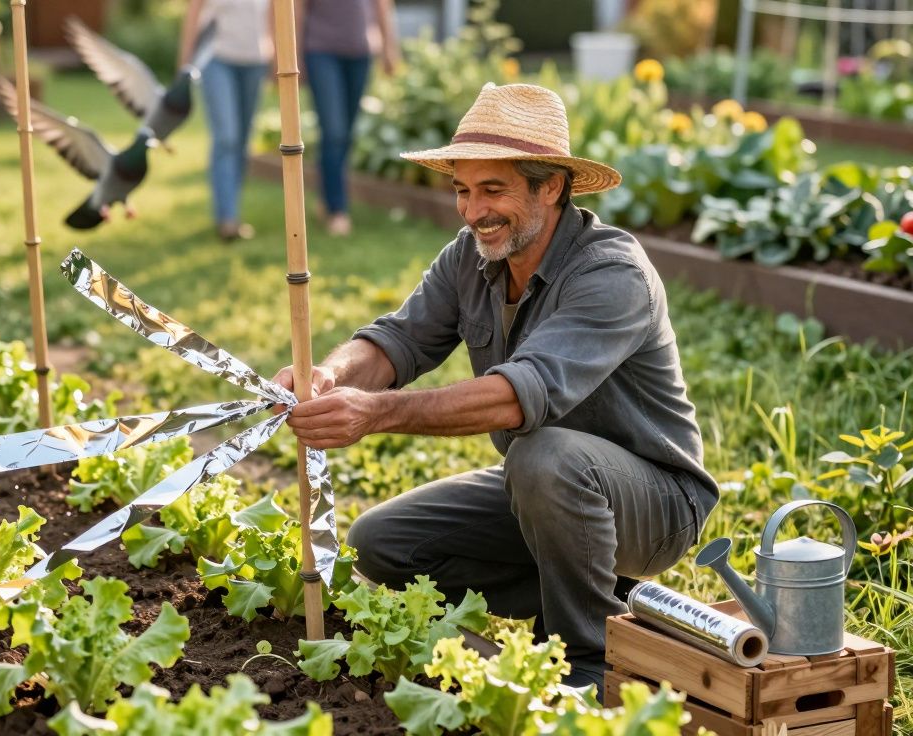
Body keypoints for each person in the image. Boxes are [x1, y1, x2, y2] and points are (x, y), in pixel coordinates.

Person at [274, 83, 719, 691]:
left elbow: (516, 396)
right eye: (462, 189)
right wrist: (330, 374)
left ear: (551, 186)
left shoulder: (613, 273)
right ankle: (598, 592)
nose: (472, 209)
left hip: (656, 502)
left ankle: (588, 661)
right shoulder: (469, 257)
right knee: (382, 544)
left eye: (493, 189)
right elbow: (397, 341)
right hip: (546, 487)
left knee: (543, 452)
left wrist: (374, 412)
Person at [296, 0, 400, 237]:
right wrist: (293, 57)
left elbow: (382, 5)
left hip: (360, 53)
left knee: (345, 135)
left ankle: (327, 197)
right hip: (320, 52)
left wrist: (388, 48)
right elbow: (298, 7)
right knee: (334, 132)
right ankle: (338, 210)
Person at [180, 0, 272, 242]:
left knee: (242, 140)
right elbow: (194, 11)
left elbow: (275, 12)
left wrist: (278, 56)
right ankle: (227, 219)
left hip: (255, 61)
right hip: (216, 59)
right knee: (226, 137)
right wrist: (186, 61)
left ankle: (232, 210)